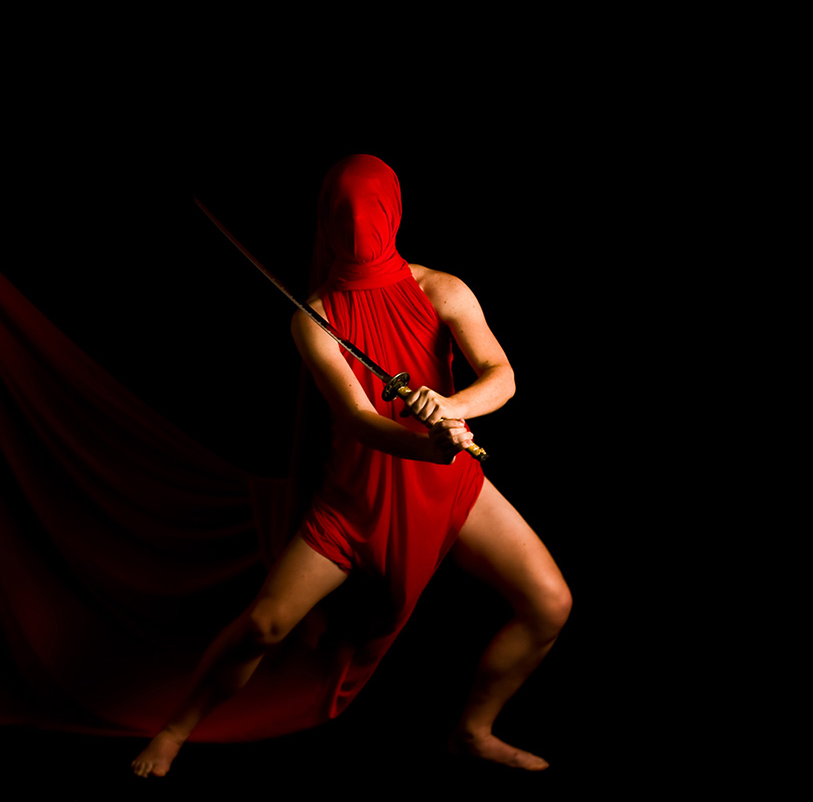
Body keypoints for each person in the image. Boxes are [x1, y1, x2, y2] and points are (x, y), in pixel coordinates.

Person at [131, 154, 571, 776]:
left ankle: (473, 732)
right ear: (326, 221)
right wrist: (428, 444)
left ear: (394, 213)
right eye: (345, 215)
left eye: (370, 213)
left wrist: (451, 407)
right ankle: (175, 731)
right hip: (357, 499)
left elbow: (502, 376)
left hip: (452, 485)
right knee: (264, 624)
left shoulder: (442, 289)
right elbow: (361, 420)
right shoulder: (313, 319)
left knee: (550, 603)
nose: (359, 227)